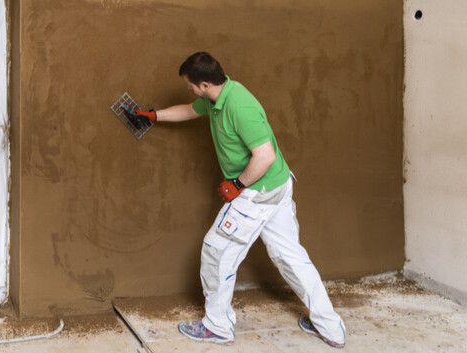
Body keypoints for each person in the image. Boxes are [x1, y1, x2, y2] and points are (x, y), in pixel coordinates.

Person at [129, 52, 346, 348]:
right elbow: (190, 111)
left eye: (191, 86)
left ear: (205, 84)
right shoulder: (218, 96)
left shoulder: (239, 105)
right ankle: (330, 327)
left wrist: (237, 185)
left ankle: (217, 326)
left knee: (216, 251)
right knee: (290, 257)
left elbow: (265, 156)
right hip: (277, 188)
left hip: (257, 192)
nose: (189, 89)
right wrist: (154, 115)